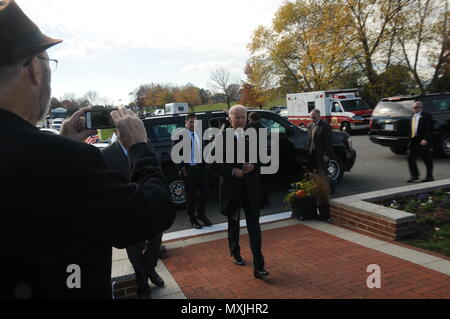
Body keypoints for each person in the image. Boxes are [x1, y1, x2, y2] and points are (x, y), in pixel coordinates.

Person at [0, 0, 175, 298]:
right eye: (47, 61)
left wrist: (63, 144)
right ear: (33, 69)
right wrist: (139, 146)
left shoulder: (54, 157)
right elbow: (150, 213)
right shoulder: (64, 161)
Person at [208, 105, 268, 279]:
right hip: (232, 190)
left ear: (247, 118)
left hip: (251, 190)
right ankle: (235, 253)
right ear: (229, 119)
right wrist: (233, 171)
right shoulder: (221, 138)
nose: (241, 120)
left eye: (243, 117)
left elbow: (264, 159)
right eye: (237, 117)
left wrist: (255, 165)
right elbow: (211, 164)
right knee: (233, 226)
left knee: (254, 227)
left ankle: (259, 266)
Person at [103, 139, 167, 299]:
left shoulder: (146, 145)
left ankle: (150, 269)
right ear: (117, 130)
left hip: (148, 206)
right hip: (126, 211)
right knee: (133, 249)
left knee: (156, 240)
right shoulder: (107, 153)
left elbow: (155, 169)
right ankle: (142, 282)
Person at [172, 113, 212, 229]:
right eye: (191, 122)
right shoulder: (179, 135)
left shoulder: (200, 134)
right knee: (191, 196)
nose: (193, 124)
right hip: (188, 170)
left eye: (195, 122)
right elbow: (174, 153)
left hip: (201, 168)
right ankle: (192, 219)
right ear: (186, 123)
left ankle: (201, 215)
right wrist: (182, 168)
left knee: (205, 193)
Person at [407, 101, 434, 183]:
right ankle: (415, 176)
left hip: (423, 140)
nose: (414, 109)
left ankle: (429, 177)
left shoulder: (427, 115)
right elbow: (411, 129)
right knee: (410, 158)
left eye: (415, 107)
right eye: (413, 108)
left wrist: (426, 139)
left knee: (427, 159)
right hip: (414, 140)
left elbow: (430, 129)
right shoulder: (412, 116)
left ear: (420, 107)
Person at [246, 112, 269, 208]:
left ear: (250, 119)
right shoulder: (263, 128)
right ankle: (265, 200)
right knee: (262, 181)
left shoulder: (248, 127)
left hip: (253, 156)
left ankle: (258, 202)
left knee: (255, 182)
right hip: (262, 156)